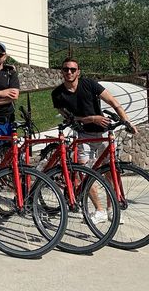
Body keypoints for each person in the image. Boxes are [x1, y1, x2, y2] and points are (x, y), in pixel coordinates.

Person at [51, 57, 137, 222]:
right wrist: (91, 118)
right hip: (83, 136)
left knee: (110, 173)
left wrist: (126, 121)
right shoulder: (57, 94)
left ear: (78, 72)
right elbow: (69, 119)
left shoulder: (89, 84)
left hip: (103, 133)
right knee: (85, 174)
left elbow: (113, 102)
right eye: (65, 69)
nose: (69, 72)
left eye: (72, 69)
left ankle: (112, 209)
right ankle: (99, 210)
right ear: (61, 72)